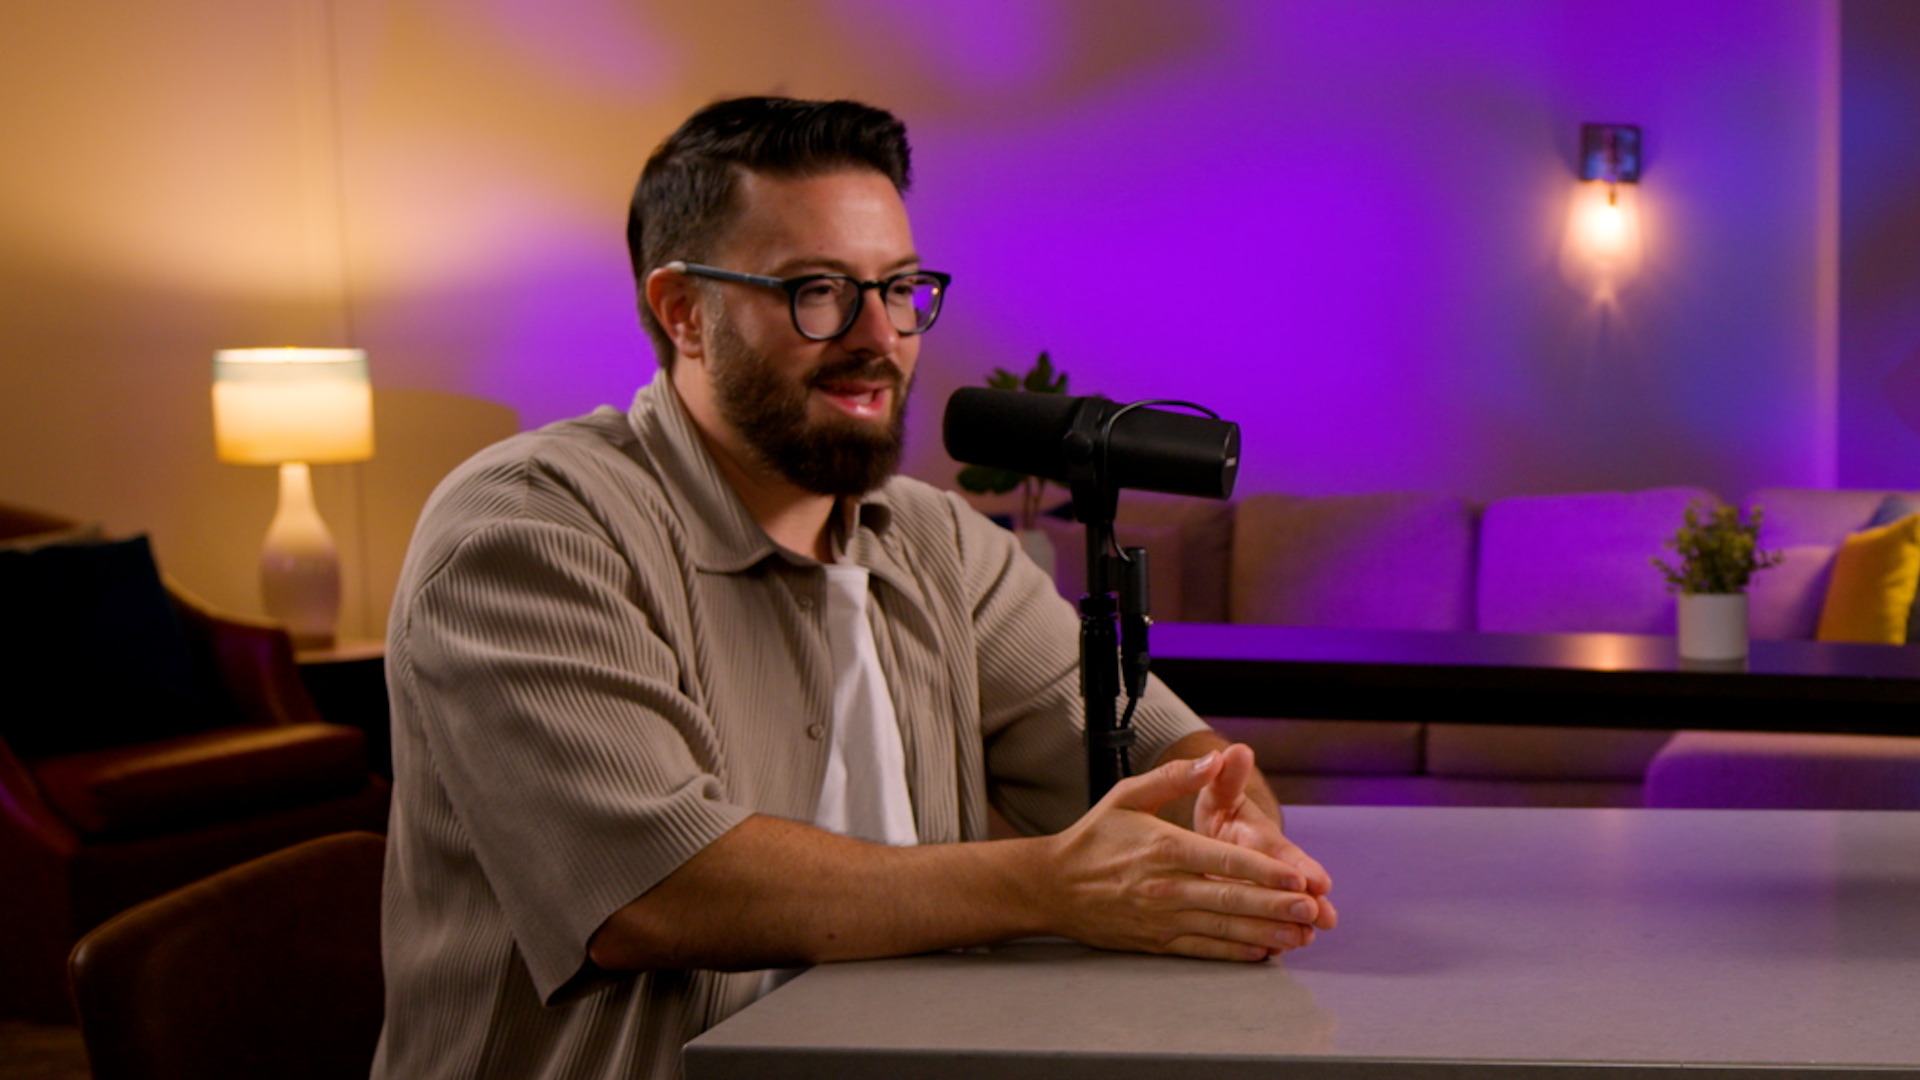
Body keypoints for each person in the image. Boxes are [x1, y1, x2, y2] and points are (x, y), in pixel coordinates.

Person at [371, 95, 1336, 1080]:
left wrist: (1229, 836)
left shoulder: (937, 541)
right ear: (683, 312)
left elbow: (1178, 760)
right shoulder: (525, 531)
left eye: (900, 287)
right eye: (818, 290)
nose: (880, 335)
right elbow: (654, 890)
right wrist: (1049, 886)